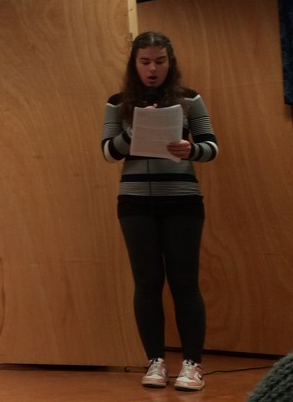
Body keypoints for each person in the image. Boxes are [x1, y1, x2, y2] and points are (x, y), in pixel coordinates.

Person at [101, 31, 218, 392]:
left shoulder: (189, 99)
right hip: (135, 203)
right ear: (134, 64)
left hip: (182, 201)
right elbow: (108, 152)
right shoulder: (117, 103)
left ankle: (192, 364)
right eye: (145, 61)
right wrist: (133, 132)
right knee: (147, 284)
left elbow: (212, 146)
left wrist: (190, 150)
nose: (153, 69)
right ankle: (155, 361)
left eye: (160, 61)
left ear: (170, 62)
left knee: (185, 284)